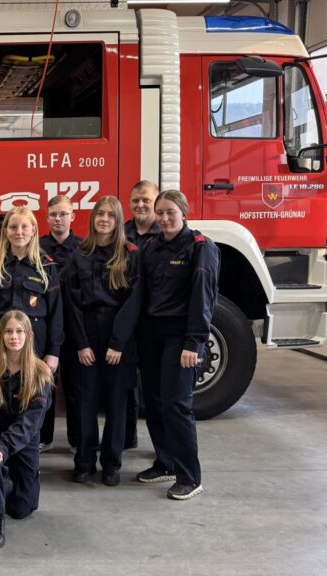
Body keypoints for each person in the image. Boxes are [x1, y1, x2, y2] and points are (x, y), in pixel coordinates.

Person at [136, 190, 219, 500]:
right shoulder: (150, 248)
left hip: (180, 337)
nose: (164, 218)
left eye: (170, 211)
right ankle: (166, 463)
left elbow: (203, 298)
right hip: (151, 335)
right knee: (154, 403)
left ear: (184, 212)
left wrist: (194, 343)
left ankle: (190, 477)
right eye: (160, 212)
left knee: (176, 406)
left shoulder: (200, 247)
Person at [64, 196, 142, 486]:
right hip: (87, 334)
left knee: (116, 404)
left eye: (110, 215)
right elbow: (71, 302)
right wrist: (81, 343)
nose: (104, 219)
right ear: (92, 218)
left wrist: (118, 343)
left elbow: (134, 302)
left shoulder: (130, 255)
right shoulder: (79, 255)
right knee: (85, 402)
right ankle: (84, 461)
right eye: (100, 214)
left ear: (118, 220)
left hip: (118, 337)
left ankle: (111, 464)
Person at [0, 311, 53, 549]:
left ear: (29, 335)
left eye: (19, 331)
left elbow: (30, 424)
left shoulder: (41, 372)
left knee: (21, 509)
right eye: (8, 331)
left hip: (23, 441)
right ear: (0, 335)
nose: (13, 336)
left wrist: (2, 448)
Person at [0, 206, 63, 376]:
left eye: (24, 227)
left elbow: (56, 313)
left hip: (35, 344)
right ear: (5, 231)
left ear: (33, 230)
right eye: (13, 227)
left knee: (34, 391)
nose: (19, 232)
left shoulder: (46, 266)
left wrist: (54, 351)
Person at [37, 195, 83, 453]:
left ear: (72, 216)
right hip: (47, 326)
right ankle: (44, 437)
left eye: (63, 214)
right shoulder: (38, 247)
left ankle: (76, 439)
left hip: (75, 325)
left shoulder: (83, 247)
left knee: (75, 385)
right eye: (53, 214)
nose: (58, 219)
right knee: (45, 383)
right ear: (47, 217)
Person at [122, 180, 161, 451]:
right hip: (125, 320)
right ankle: (127, 437)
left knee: (155, 388)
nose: (140, 205)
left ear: (156, 202)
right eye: (136, 200)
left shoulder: (165, 234)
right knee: (125, 383)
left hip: (153, 321)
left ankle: (163, 451)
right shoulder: (121, 233)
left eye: (146, 199)